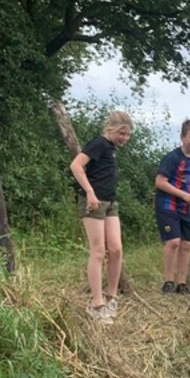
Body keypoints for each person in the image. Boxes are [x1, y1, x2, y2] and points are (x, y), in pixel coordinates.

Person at [69, 111, 133, 325]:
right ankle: (96, 304)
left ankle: (111, 298)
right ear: (110, 129)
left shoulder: (111, 149)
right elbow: (76, 165)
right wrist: (90, 192)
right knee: (98, 251)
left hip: (111, 203)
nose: (125, 138)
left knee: (116, 249)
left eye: (128, 135)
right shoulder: (99, 143)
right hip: (94, 203)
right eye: (122, 133)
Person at [155, 119, 190, 294]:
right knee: (173, 242)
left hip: (186, 207)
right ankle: (168, 282)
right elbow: (160, 182)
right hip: (167, 203)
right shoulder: (172, 158)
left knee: (186, 245)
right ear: (182, 137)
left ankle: (182, 284)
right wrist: (184, 195)